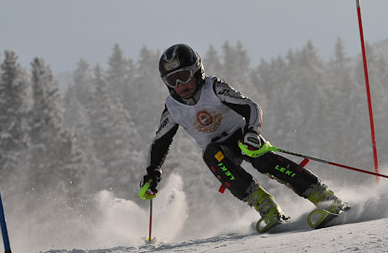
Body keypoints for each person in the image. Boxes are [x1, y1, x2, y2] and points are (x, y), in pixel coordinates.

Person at [139, 44, 349, 232]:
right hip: (218, 150)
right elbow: (160, 142)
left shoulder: (213, 88)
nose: (180, 85)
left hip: (241, 136)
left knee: (262, 159)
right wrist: (152, 172)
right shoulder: (172, 107)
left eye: (184, 76)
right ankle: (266, 206)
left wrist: (252, 132)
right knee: (212, 156)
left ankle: (324, 197)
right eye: (173, 80)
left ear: (197, 71)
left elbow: (251, 107)